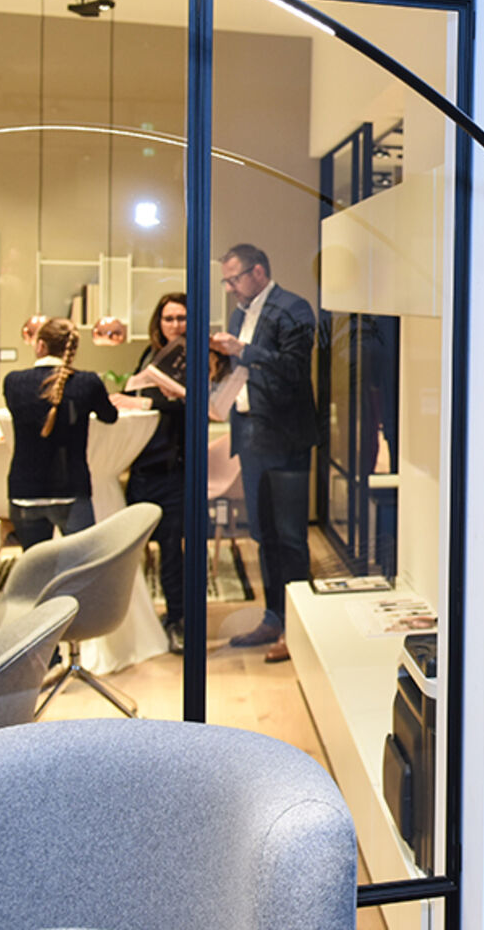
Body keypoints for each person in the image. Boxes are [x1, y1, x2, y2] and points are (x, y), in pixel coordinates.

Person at [210, 244, 317, 664]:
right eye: (226, 281)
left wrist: (242, 350)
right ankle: (273, 618)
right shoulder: (240, 314)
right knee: (262, 535)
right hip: (251, 434)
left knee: (290, 538)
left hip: (285, 438)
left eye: (234, 279)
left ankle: (298, 628)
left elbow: (294, 368)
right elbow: (244, 372)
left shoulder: (294, 308)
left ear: (258, 272)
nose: (230, 288)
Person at [4, 318, 118, 549]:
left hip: (25, 490)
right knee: (83, 562)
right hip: (71, 489)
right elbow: (110, 416)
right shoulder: (87, 383)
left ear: (40, 346)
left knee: (35, 562)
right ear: (72, 350)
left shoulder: (13, 382)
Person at [117, 293, 188, 655]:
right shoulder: (150, 355)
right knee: (133, 548)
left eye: (181, 318)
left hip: (174, 469)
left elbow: (193, 404)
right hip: (143, 466)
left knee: (172, 551)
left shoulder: (193, 358)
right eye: (169, 318)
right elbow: (131, 392)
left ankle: (179, 621)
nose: (175, 325)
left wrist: (146, 401)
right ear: (158, 322)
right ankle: (137, 623)